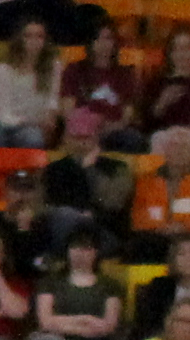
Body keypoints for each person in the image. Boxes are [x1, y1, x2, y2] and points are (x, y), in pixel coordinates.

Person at [25, 225, 122, 340]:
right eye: (75, 248)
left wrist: (61, 323)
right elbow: (45, 322)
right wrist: (85, 320)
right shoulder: (50, 282)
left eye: (86, 249)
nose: (80, 253)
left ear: (96, 252)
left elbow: (108, 326)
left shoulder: (110, 285)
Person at [40, 109, 134, 256]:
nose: (81, 143)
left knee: (67, 216)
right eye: (76, 137)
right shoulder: (53, 169)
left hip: (103, 231)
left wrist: (89, 170)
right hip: (63, 228)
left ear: (97, 138)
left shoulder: (117, 168)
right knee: (64, 215)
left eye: (86, 137)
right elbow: (42, 204)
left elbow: (112, 203)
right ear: (66, 139)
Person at [61, 17, 144, 151]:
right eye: (98, 38)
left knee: (133, 139)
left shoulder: (125, 73)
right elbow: (67, 107)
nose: (103, 44)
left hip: (113, 131)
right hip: (82, 131)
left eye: (108, 38)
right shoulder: (75, 69)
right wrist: (86, 127)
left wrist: (112, 127)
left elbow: (128, 112)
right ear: (90, 42)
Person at [142, 27, 190, 185]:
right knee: (159, 138)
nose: (182, 54)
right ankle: (160, 195)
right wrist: (161, 104)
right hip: (166, 136)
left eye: (187, 48)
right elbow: (146, 124)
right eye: (177, 49)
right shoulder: (158, 83)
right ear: (170, 54)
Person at [135, 232, 190, 340]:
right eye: (181, 254)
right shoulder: (160, 286)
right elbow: (148, 325)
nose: (188, 259)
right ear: (173, 258)